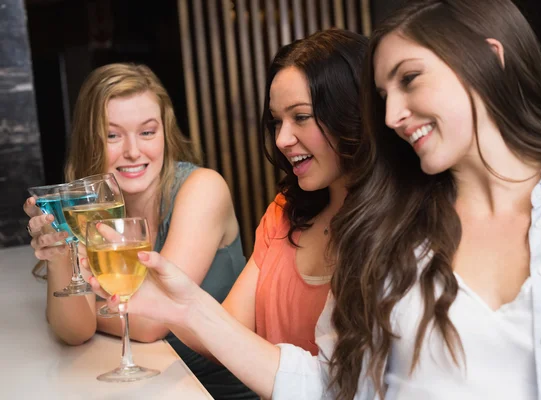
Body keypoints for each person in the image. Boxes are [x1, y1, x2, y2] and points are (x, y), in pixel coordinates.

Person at [95, 1, 541, 399]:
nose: (393, 113)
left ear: (491, 58)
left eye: (409, 80)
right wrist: (189, 309)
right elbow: (333, 385)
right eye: (383, 96)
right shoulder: (387, 228)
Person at [88, 29, 367, 397]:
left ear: (352, 114)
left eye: (300, 117)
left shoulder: (397, 230)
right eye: (276, 121)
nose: (282, 139)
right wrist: (180, 304)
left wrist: (173, 310)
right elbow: (228, 331)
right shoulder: (284, 213)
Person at [23, 63, 256, 399]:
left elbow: (150, 323)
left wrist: (90, 309)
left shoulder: (203, 188)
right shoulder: (89, 206)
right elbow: (74, 332)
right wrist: (60, 254)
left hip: (214, 390)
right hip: (149, 388)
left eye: (147, 132)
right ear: (92, 140)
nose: (133, 151)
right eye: (113, 135)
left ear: (165, 132)